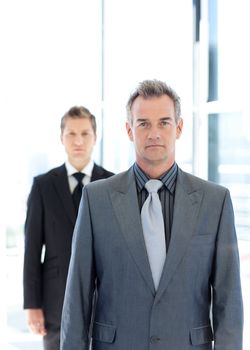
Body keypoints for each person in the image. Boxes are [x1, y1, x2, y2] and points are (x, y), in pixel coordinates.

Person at [60, 80, 243, 350]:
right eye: (143, 123)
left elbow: (229, 301)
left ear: (179, 128)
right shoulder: (96, 199)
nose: (154, 133)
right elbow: (77, 297)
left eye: (164, 123)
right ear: (129, 130)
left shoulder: (215, 201)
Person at [23, 106, 114, 350]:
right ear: (61, 137)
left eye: (85, 134)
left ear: (95, 137)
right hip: (55, 303)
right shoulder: (43, 186)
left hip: (105, 302)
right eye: (71, 134)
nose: (78, 141)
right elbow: (32, 250)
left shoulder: (114, 185)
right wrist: (32, 304)